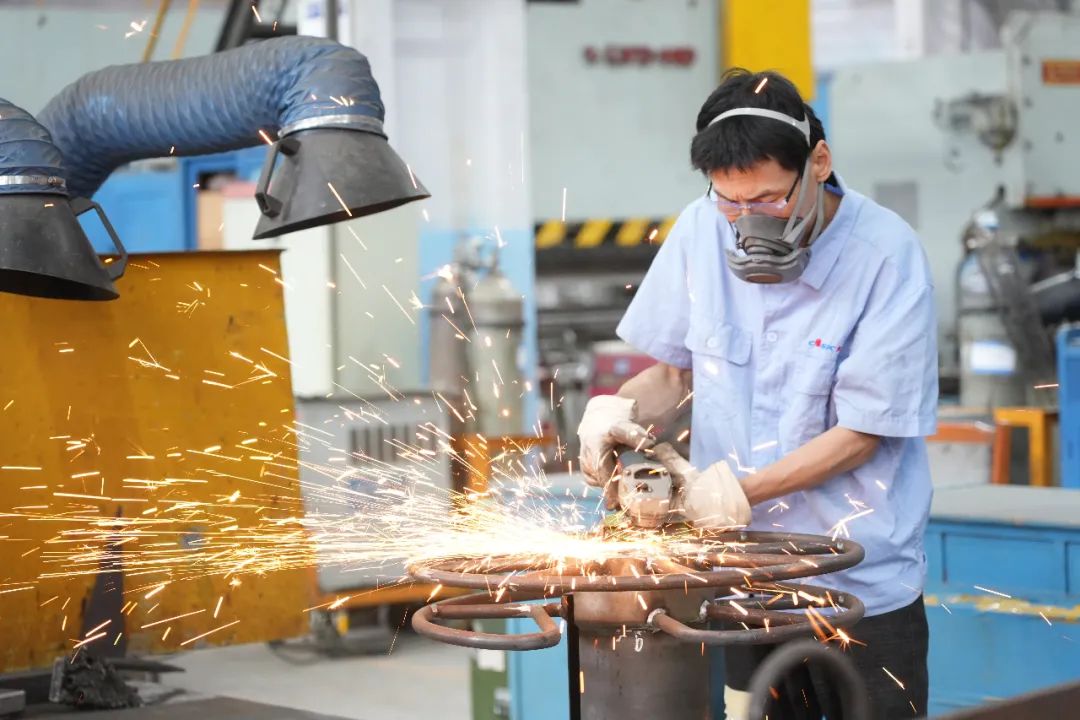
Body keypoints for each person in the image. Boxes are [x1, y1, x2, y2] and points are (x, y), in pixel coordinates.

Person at [576, 68, 937, 719]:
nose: (746, 222)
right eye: (730, 202)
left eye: (768, 199)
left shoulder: (886, 255)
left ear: (818, 163)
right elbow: (674, 372)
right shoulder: (699, 229)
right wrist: (615, 412)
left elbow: (866, 431)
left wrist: (739, 493)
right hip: (738, 582)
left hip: (855, 587)